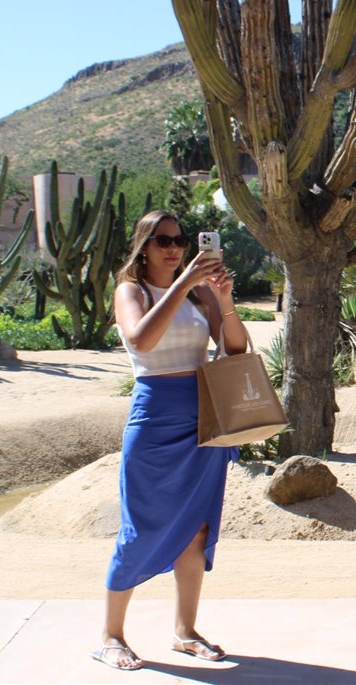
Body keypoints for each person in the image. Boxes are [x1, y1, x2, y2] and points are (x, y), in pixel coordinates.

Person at [91, 210, 248, 671]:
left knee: (197, 528)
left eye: (180, 239)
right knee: (140, 527)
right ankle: (111, 636)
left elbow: (234, 350)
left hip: (202, 415)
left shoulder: (201, 291)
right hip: (156, 417)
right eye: (163, 241)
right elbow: (140, 340)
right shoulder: (131, 291)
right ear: (144, 245)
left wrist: (225, 298)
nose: (174, 248)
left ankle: (185, 631)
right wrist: (181, 285)